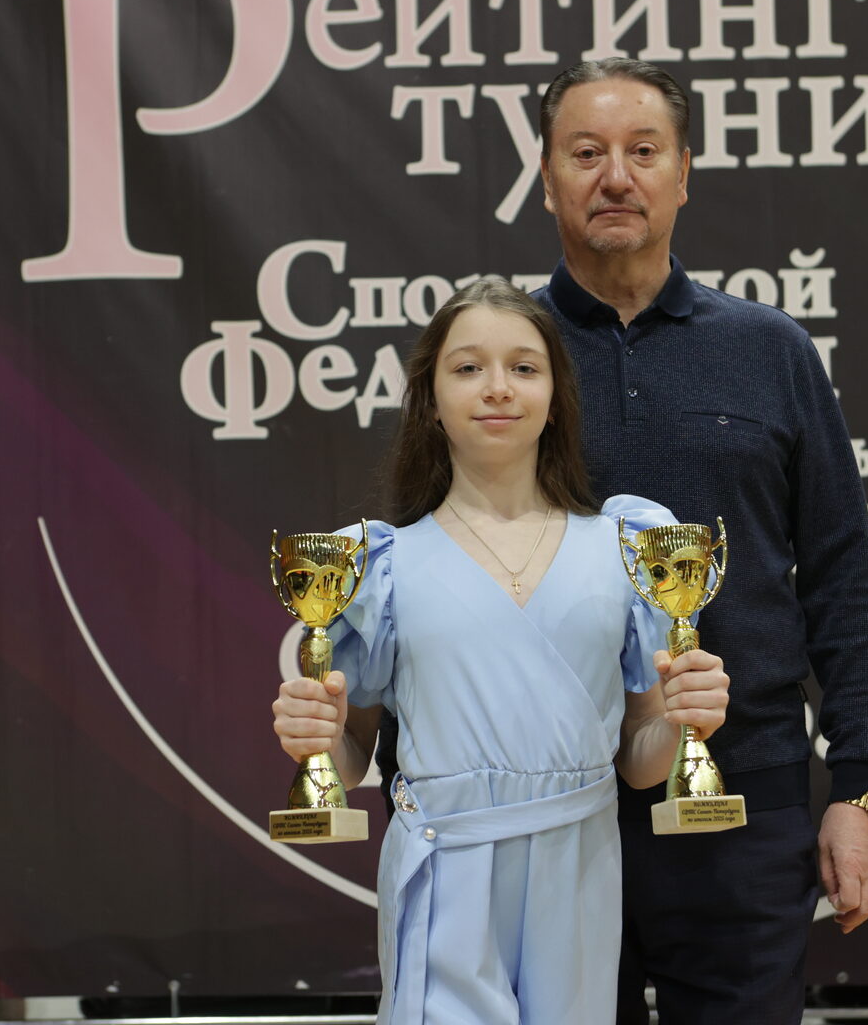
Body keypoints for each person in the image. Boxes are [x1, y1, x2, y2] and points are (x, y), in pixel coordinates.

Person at [532, 58, 868, 1024]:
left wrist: (863, 788)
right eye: (587, 153)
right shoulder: (499, 358)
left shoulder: (769, 349)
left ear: (684, 173)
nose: (617, 177)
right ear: (547, 178)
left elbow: (842, 575)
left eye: (644, 151)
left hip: (746, 796)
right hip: (544, 804)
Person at [270, 278, 731, 1024]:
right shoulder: (381, 567)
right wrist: (317, 739)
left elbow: (640, 761)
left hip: (580, 869)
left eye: (523, 367)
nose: (497, 388)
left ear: (555, 396)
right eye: (467, 367)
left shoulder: (623, 549)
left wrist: (685, 725)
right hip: (444, 868)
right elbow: (351, 759)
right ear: (431, 399)